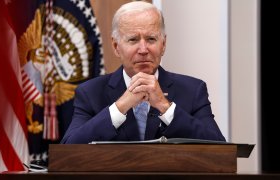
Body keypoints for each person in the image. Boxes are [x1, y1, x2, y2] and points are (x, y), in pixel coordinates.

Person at [61, 1, 225, 144]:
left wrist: (165, 107)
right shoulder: (90, 92)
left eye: (151, 39)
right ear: (116, 46)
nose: (143, 49)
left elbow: (221, 150)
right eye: (133, 40)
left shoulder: (193, 90)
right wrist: (120, 107)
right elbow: (68, 150)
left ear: (163, 44)